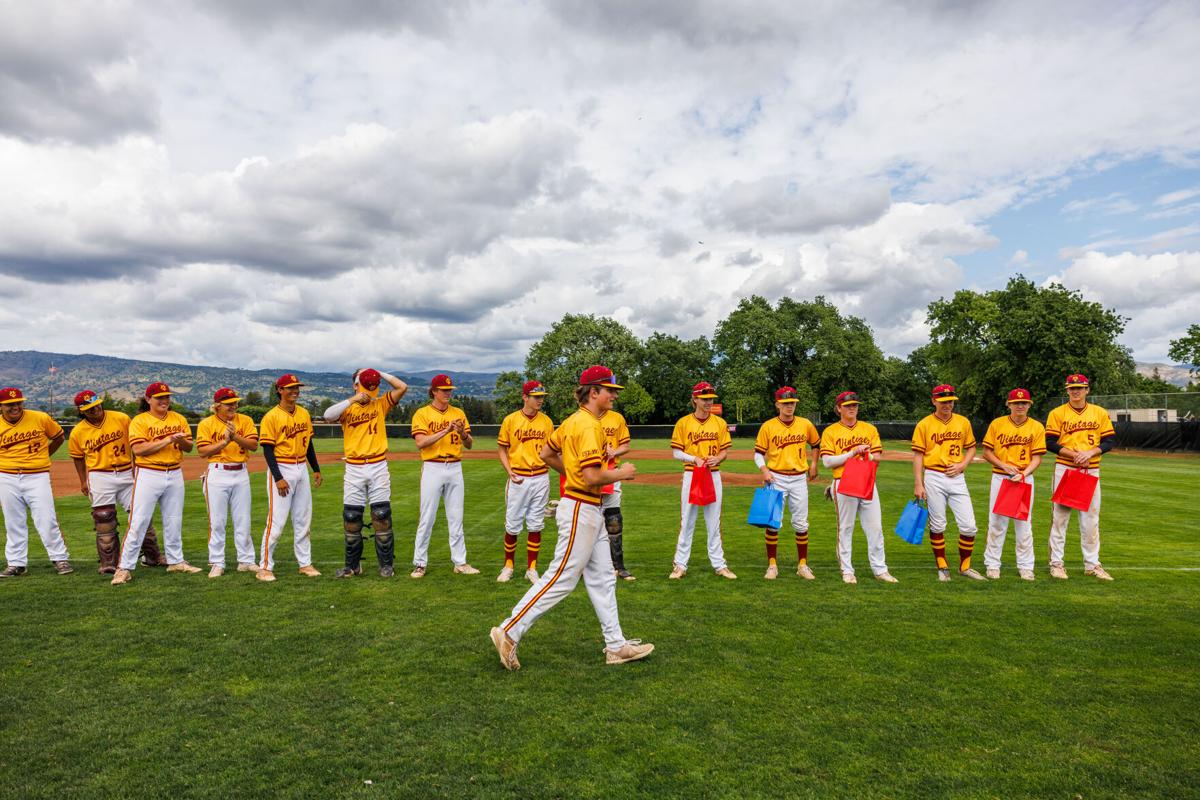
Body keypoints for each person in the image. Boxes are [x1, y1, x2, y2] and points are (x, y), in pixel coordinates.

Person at [490, 365, 653, 670]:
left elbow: (546, 455)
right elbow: (592, 476)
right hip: (581, 507)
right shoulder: (589, 425)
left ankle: (616, 645)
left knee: (604, 577)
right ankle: (509, 631)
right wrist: (622, 473)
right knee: (562, 577)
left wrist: (575, 474)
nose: (613, 397)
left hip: (589, 507)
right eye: (610, 391)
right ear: (594, 392)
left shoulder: (572, 421)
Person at [112, 382, 202, 585]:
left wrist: (180, 441)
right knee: (138, 521)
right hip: (149, 473)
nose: (164, 401)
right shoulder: (140, 420)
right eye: (159, 397)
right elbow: (139, 450)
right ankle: (124, 567)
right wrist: (169, 440)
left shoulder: (178, 418)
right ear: (148, 399)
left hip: (175, 472)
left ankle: (176, 561)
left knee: (173, 520)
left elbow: (189, 448)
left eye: (167, 397)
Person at [68, 389, 166, 574]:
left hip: (126, 471)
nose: (95, 410)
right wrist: (83, 481)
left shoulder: (121, 418)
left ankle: (152, 556)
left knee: (141, 514)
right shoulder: (78, 431)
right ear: (81, 411)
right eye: (89, 409)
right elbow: (77, 458)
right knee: (104, 517)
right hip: (100, 474)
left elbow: (137, 443)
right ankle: (108, 563)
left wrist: (138, 468)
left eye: (96, 406)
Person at [324, 368, 408, 578]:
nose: (369, 392)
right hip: (354, 467)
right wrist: (353, 399)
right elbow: (327, 416)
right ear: (355, 386)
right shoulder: (347, 408)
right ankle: (352, 566)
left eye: (373, 388)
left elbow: (402, 387)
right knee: (352, 518)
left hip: (378, 465)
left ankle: (386, 565)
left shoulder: (380, 403)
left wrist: (379, 372)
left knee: (381, 515)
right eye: (365, 387)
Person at [818, 391, 897, 584]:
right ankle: (847, 570)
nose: (852, 408)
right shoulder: (831, 431)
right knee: (845, 528)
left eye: (854, 405)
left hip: (867, 481)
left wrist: (867, 454)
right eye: (847, 406)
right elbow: (827, 462)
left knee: (875, 527)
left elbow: (877, 457)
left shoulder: (869, 429)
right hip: (843, 482)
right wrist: (852, 453)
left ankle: (880, 569)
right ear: (839, 408)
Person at [1045, 374, 1116, 580]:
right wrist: (1074, 454)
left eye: (1079, 388)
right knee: (1060, 518)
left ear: (1087, 390)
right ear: (1067, 390)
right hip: (1066, 469)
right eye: (1072, 388)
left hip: (1090, 470)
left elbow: (1109, 441)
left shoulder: (1099, 413)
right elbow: (1049, 441)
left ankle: (1092, 564)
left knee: (1091, 520)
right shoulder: (1057, 413)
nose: (1075, 391)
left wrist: (1091, 452)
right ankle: (1056, 563)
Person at [410, 374, 478, 577]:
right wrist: (447, 430)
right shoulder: (422, 413)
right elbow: (421, 443)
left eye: (450, 390)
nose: (448, 393)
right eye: (444, 390)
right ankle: (420, 563)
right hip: (433, 466)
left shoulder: (458, 412)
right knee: (427, 517)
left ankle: (460, 562)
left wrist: (462, 433)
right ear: (434, 392)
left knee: (456, 517)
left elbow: (469, 443)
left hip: (455, 466)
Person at [912, 384, 982, 582]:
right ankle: (942, 565)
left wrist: (963, 465)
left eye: (950, 401)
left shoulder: (962, 422)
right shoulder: (924, 424)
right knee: (938, 523)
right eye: (942, 401)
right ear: (934, 400)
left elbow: (970, 449)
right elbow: (918, 455)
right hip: (934, 475)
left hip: (957, 477)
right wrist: (919, 483)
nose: (947, 404)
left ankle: (965, 566)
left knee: (969, 526)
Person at [257, 374, 323, 582]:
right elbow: (268, 450)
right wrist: (278, 477)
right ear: (280, 390)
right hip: (282, 467)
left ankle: (305, 563)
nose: (295, 391)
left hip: (301, 466)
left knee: (303, 519)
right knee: (276, 521)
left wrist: (316, 469)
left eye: (297, 387)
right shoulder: (271, 416)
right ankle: (265, 566)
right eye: (290, 388)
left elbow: (308, 444)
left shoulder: (303, 413)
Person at [0, 387, 72, 577]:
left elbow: (58, 437)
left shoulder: (39, 418)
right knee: (13, 522)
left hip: (37, 475)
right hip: (7, 477)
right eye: (10, 404)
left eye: (18, 403)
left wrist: (44, 455)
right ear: (1, 406)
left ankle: (60, 558)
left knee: (46, 518)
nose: (15, 407)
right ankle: (16, 563)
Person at [668, 382, 737, 580]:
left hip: (713, 474)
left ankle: (719, 564)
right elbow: (676, 452)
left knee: (713, 521)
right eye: (705, 399)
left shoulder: (719, 423)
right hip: (692, 473)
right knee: (687, 519)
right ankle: (680, 564)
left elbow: (724, 450)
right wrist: (693, 458)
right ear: (695, 399)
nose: (709, 402)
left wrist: (719, 458)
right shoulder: (683, 423)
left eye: (711, 399)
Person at [754, 386, 821, 580]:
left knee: (801, 522)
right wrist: (764, 469)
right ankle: (772, 565)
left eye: (792, 403)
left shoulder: (805, 424)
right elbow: (758, 453)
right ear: (777, 404)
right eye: (785, 403)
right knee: (773, 522)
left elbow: (816, 444)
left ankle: (802, 565)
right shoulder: (768, 426)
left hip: (799, 477)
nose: (789, 406)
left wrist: (814, 463)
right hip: (776, 477)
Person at [981, 388, 1046, 581]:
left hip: (1024, 479)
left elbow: (1037, 458)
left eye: (1024, 403)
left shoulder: (1036, 427)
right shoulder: (997, 424)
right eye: (1016, 403)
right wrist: (1004, 466)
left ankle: (1026, 566)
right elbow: (987, 452)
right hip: (1001, 477)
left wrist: (1024, 473)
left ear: (1029, 405)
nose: (1020, 406)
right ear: (1008, 404)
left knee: (1024, 523)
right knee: (997, 522)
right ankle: (992, 564)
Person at [195, 388, 260, 578]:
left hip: (240, 472)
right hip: (217, 473)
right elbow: (202, 451)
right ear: (217, 406)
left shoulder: (245, 420)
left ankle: (246, 560)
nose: (233, 406)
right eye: (228, 403)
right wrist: (223, 443)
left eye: (235, 402)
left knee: (243, 519)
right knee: (217, 521)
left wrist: (234, 437)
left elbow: (253, 445)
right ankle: (217, 561)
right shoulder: (206, 423)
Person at [495, 380, 553, 583]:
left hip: (540, 476)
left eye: (541, 397)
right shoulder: (510, 420)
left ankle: (532, 568)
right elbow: (502, 448)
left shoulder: (546, 421)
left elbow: (551, 451)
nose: (539, 401)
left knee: (536, 523)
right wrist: (509, 471)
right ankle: (508, 566)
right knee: (512, 524)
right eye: (536, 397)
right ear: (525, 397)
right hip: (518, 477)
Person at [599, 398, 635, 580]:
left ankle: (618, 566)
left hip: (612, 472)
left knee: (613, 520)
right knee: (588, 522)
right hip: (590, 475)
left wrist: (614, 452)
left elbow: (626, 445)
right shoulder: (580, 419)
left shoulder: (617, 418)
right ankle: (585, 566)